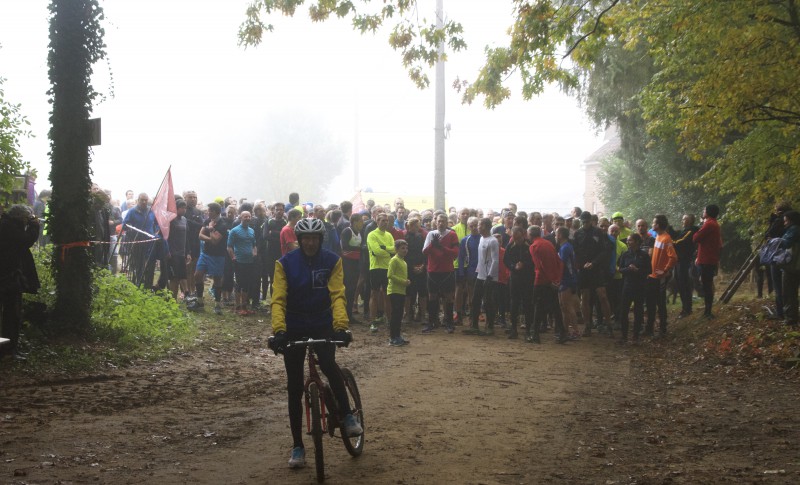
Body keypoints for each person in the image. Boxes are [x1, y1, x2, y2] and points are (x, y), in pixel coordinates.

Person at [269, 217, 362, 469]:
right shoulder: (285, 264)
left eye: (314, 238)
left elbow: (337, 295)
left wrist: (341, 327)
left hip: (323, 322)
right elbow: (278, 299)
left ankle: (348, 415)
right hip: (294, 325)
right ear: (299, 240)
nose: (310, 243)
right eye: (306, 239)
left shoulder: (332, 260)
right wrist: (278, 331)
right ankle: (297, 446)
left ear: (321, 239)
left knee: (329, 365)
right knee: (294, 387)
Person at [0, 205, 40, 360]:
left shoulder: (7, 225)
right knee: (12, 314)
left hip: (8, 276)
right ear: (19, 217)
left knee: (11, 314)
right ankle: (8, 350)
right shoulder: (9, 227)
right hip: (9, 278)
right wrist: (34, 227)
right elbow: (26, 240)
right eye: (27, 218)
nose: (27, 221)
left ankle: (9, 349)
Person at [187, 202, 228, 315]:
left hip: (218, 255)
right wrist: (210, 236)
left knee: (217, 279)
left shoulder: (222, 224)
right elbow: (200, 235)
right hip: (205, 254)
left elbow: (216, 242)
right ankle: (200, 302)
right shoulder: (206, 221)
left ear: (215, 212)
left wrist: (210, 230)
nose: (207, 212)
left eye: (209, 210)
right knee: (197, 275)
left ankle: (218, 304)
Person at [528, 225, 567, 344]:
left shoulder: (534, 246)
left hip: (541, 280)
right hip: (552, 280)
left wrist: (551, 280)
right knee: (555, 308)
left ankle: (535, 334)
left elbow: (539, 266)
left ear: (530, 235)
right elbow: (558, 262)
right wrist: (556, 279)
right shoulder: (548, 243)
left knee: (538, 307)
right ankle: (562, 334)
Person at [422, 213, 460, 333]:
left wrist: (441, 247)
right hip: (433, 271)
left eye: (443, 221)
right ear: (435, 222)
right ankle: (433, 321)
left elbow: (455, 253)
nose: (441, 223)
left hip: (447, 271)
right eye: (439, 221)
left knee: (448, 297)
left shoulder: (452, 235)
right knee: (432, 296)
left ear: (447, 222)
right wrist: (433, 244)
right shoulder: (431, 234)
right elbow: (424, 252)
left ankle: (448, 322)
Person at [464, 218, 499, 336]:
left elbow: (495, 260)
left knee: (488, 301)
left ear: (486, 226)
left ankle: (490, 326)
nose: (478, 227)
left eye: (479, 225)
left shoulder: (493, 241)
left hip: (489, 277)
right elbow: (481, 259)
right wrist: (478, 271)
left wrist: (490, 276)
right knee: (475, 300)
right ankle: (474, 325)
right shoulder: (482, 239)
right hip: (480, 275)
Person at [646, 214, 678, 338]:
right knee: (650, 302)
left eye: (654, 222)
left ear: (658, 225)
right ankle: (649, 328)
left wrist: (665, 270)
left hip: (660, 278)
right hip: (652, 276)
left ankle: (662, 329)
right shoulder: (658, 237)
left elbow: (673, 257)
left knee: (660, 303)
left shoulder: (666, 238)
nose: (652, 224)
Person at [617, 233, 652, 344]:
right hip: (627, 285)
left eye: (630, 240)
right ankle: (624, 336)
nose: (628, 242)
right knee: (624, 311)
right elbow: (620, 269)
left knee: (638, 311)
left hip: (640, 286)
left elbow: (649, 270)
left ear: (637, 241)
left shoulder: (644, 255)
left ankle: (635, 336)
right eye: (627, 240)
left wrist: (637, 270)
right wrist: (629, 269)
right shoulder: (625, 254)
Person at [366, 213, 396, 331]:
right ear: (377, 222)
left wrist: (384, 248)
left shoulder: (389, 235)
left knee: (387, 295)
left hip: (387, 268)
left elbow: (394, 249)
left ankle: (389, 320)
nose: (385, 222)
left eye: (386, 220)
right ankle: (373, 321)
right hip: (376, 268)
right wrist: (387, 250)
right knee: (374, 294)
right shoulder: (372, 235)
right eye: (382, 220)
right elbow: (376, 251)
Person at [693, 204, 723, 319]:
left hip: (706, 259)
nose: (703, 211)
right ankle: (707, 310)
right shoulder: (714, 223)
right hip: (707, 258)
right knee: (706, 284)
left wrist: (700, 226)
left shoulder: (709, 224)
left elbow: (695, 238)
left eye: (704, 210)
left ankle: (708, 311)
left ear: (708, 212)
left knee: (706, 285)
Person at [228, 210, 258, 315]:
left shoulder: (252, 231)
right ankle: (237, 306)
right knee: (239, 283)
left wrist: (255, 253)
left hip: (249, 261)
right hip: (238, 261)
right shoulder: (234, 231)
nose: (247, 218)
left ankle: (244, 306)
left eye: (249, 216)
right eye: (245, 216)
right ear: (241, 217)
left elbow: (254, 244)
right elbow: (229, 246)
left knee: (247, 283)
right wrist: (233, 257)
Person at [673, 214, 699, 317]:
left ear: (690, 221)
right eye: (683, 219)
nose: (682, 221)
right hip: (680, 261)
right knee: (680, 285)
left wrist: (670, 242)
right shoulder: (684, 231)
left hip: (685, 262)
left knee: (684, 285)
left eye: (685, 219)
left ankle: (687, 309)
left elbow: (679, 242)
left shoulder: (690, 231)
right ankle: (685, 308)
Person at [387, 239, 411, 346]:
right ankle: (393, 338)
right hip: (394, 291)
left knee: (399, 314)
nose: (405, 250)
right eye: (402, 248)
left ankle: (397, 336)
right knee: (395, 314)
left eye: (406, 248)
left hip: (401, 291)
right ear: (396, 249)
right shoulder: (394, 260)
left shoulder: (404, 261)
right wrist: (403, 282)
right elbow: (390, 275)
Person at [779, 211, 800, 327]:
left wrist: (776, 241)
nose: (785, 223)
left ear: (791, 220)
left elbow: (785, 244)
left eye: (786, 221)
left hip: (792, 267)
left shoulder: (794, 230)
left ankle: (791, 319)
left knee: (788, 293)